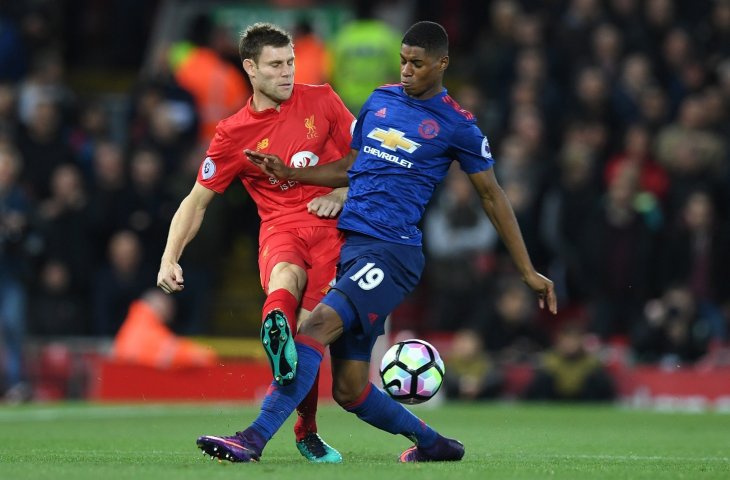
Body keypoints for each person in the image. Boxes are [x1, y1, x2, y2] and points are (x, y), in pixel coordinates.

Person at [197, 20, 557, 463]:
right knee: (349, 390)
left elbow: (492, 196)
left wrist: (526, 270)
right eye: (403, 61)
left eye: (417, 64)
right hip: (352, 249)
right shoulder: (381, 100)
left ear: (442, 64)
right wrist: (290, 173)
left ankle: (252, 438)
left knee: (312, 328)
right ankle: (435, 445)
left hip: (392, 251)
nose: (406, 71)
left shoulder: (458, 126)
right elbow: (351, 164)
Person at [156, 23, 355, 463]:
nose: (287, 73)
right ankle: (276, 332)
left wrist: (341, 192)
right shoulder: (233, 133)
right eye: (276, 65)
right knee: (286, 277)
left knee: (306, 335)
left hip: (332, 232)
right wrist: (170, 257)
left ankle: (305, 427)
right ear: (250, 67)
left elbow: (364, 157)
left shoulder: (322, 99)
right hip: (280, 228)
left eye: (290, 63)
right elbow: (196, 202)